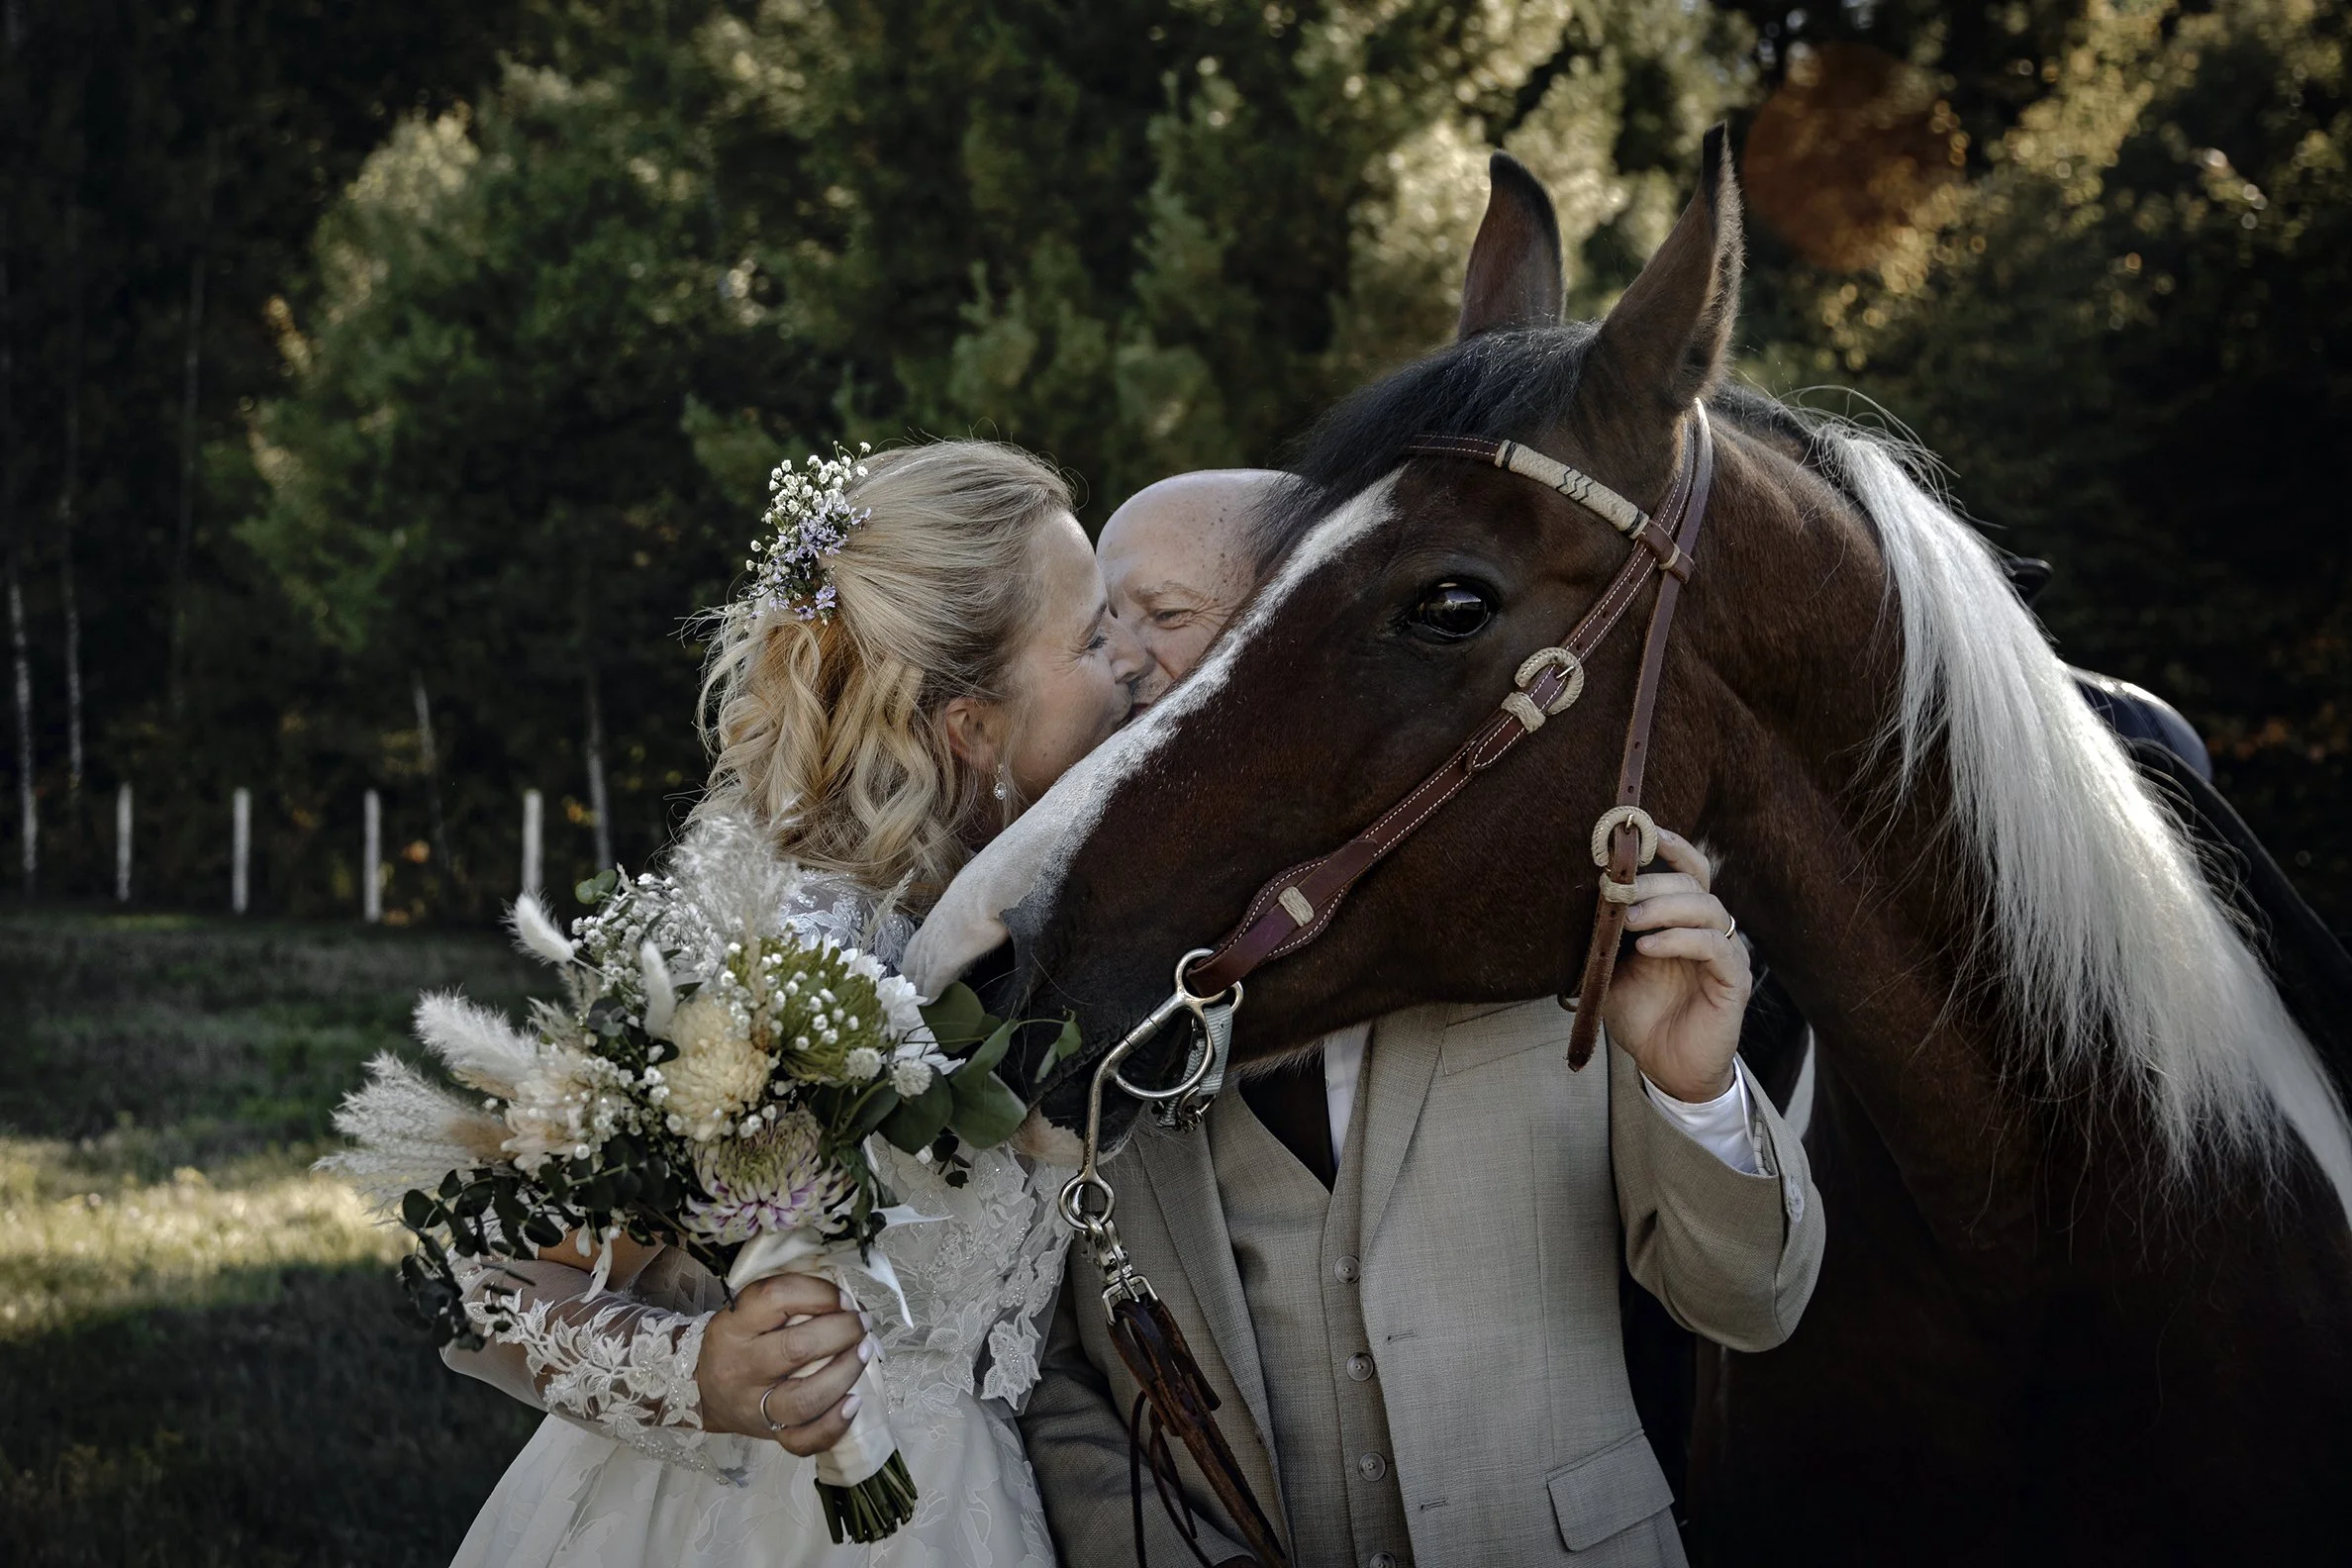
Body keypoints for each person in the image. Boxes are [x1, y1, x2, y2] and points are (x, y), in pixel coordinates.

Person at [1007, 474, 1826, 1567]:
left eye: (1162, 615)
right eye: (1104, 625)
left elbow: (1752, 1303)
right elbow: (1046, 1363)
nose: (1121, 662)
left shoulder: (1545, 902)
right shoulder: (1073, 956)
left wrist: (1695, 1091)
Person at [441, 440, 1150, 1567]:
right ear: (972, 726)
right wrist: (707, 1376)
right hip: (753, 1516)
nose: (1136, 665)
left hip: (976, 1504)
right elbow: (499, 1278)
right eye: (1095, 637)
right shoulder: (780, 952)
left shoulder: (1040, 914)